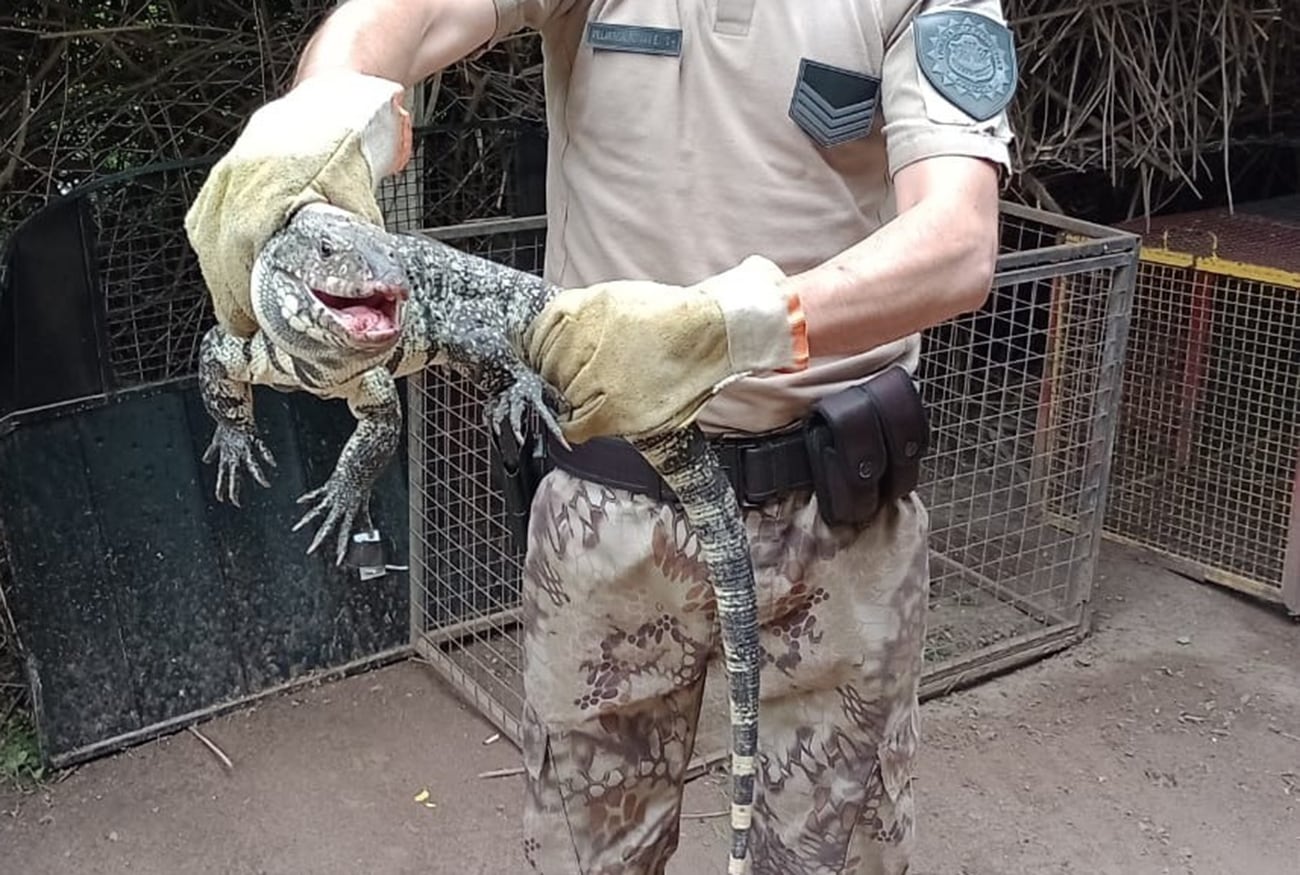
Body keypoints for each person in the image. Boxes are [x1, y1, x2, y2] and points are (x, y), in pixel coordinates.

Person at [184, 0, 1017, 871]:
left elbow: (957, 243)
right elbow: (411, 13)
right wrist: (310, 133)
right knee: (589, 857)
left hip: (838, 515)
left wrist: (726, 324)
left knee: (836, 858)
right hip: (607, 509)